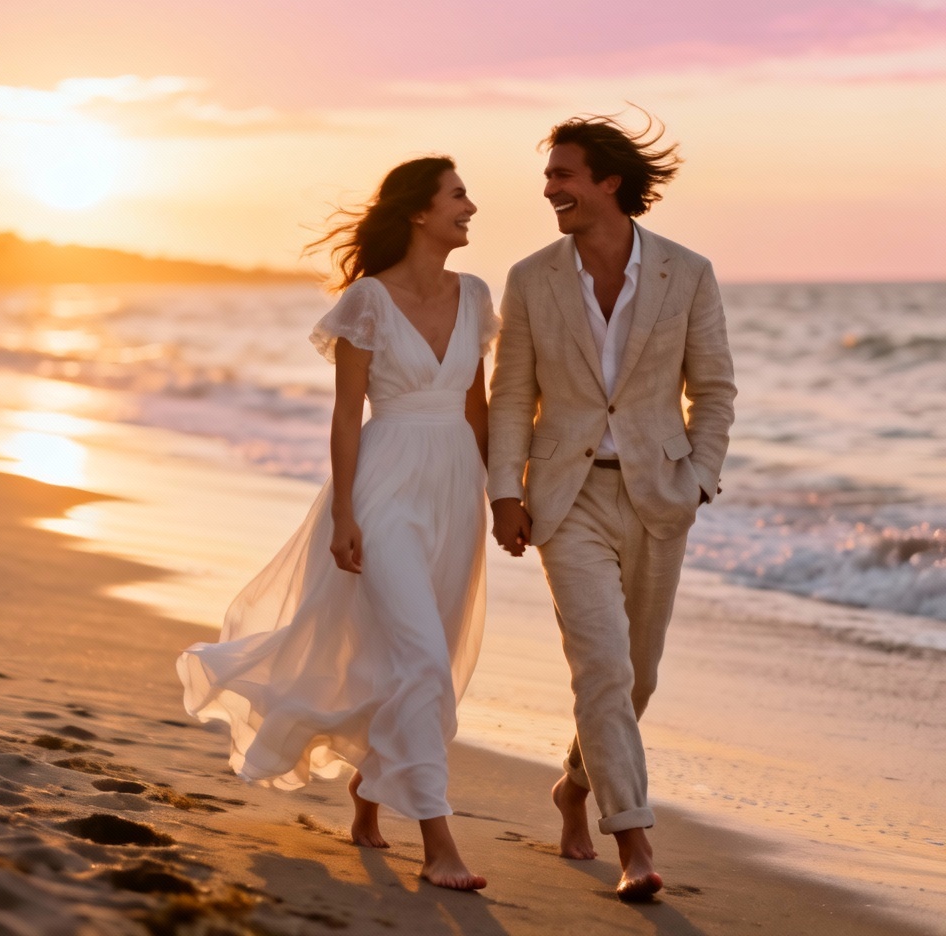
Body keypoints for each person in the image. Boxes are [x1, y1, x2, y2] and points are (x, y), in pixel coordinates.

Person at [178, 156, 498, 891]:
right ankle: (440, 843)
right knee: (421, 659)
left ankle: (369, 790)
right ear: (419, 212)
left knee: (430, 654)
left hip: (455, 492)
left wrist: (505, 496)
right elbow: (346, 416)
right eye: (458, 195)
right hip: (385, 486)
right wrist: (345, 513)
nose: (472, 206)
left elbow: (476, 405)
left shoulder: (477, 295)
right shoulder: (367, 303)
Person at [487, 111, 736, 901]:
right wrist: (504, 491)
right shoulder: (531, 277)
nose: (550, 188)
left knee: (637, 676)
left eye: (563, 175)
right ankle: (634, 840)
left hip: (660, 493)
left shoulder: (687, 272)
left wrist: (700, 475)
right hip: (566, 495)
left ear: (609, 183)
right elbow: (510, 393)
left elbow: (715, 387)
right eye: (550, 175)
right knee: (599, 664)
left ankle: (573, 785)